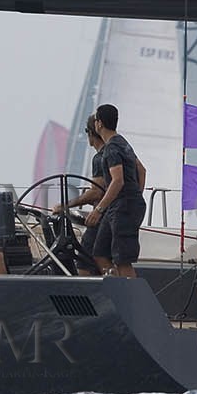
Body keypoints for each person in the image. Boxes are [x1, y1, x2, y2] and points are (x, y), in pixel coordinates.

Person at [85, 103, 147, 278]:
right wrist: (136, 194)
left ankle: (131, 301)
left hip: (122, 206)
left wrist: (99, 209)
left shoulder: (111, 148)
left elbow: (117, 180)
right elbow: (142, 170)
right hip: (121, 205)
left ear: (99, 124)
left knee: (122, 260)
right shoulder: (123, 143)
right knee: (100, 253)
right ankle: (117, 286)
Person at [51, 116, 106, 275]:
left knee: (84, 262)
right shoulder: (116, 152)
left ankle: (90, 296)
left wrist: (64, 205)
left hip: (101, 219)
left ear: (90, 133)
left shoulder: (100, 158)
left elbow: (96, 192)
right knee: (102, 259)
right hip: (112, 215)